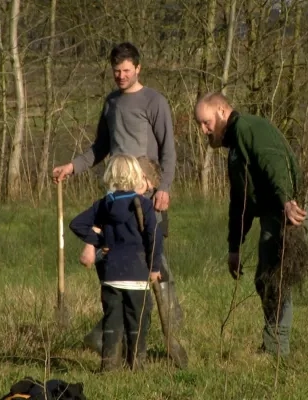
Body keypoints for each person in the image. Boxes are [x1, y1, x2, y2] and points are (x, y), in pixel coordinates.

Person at [52, 42, 186, 363]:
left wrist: (164, 188)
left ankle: (170, 337)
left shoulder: (155, 102)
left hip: (148, 196)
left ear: (138, 68)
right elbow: (100, 147)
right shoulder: (111, 103)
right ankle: (111, 335)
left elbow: (168, 150)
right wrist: (73, 166)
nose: (121, 76)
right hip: (116, 197)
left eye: (127, 71)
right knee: (110, 258)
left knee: (154, 263)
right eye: (116, 71)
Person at [194, 92, 308, 357]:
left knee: (276, 276)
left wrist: (287, 201)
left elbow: (274, 161)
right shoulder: (236, 150)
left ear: (222, 112)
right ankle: (274, 345)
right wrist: (234, 247)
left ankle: (276, 350)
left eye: (206, 123)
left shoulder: (249, 128)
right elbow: (240, 204)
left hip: (293, 206)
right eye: (200, 125)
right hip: (278, 208)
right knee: (264, 279)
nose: (203, 130)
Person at [69, 154, 163, 371]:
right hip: (138, 276)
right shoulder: (144, 205)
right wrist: (155, 267)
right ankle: (136, 367)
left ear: (110, 175)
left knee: (112, 322)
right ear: (135, 176)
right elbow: (154, 237)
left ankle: (109, 367)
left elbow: (77, 224)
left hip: (111, 276)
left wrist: (99, 240)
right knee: (137, 323)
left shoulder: (104, 204)